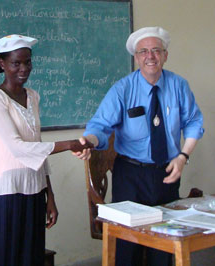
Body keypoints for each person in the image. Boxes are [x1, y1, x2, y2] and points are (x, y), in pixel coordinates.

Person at [74, 27, 204, 266]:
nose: (150, 56)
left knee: (166, 242)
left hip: (167, 173)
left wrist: (184, 156)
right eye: (143, 51)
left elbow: (194, 121)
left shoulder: (179, 85)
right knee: (128, 244)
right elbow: (99, 126)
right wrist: (89, 142)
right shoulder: (123, 89)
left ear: (165, 55)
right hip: (130, 176)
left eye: (156, 50)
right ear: (136, 58)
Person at [0, 34, 92, 266]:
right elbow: (17, 148)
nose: (24, 68)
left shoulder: (32, 97)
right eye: (16, 63)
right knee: (6, 258)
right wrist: (69, 144)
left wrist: (49, 195)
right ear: (2, 64)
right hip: (7, 194)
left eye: (28, 62)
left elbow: (37, 146)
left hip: (34, 191)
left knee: (31, 258)